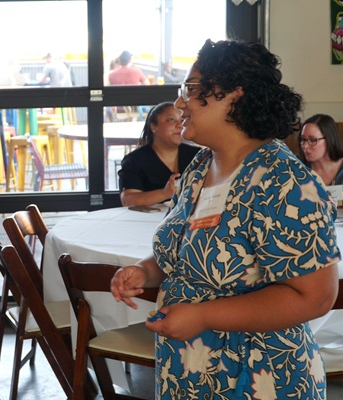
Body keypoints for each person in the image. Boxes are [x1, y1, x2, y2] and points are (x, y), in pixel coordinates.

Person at [110, 39, 340, 399]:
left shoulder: (283, 181)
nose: (180, 102)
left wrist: (203, 316)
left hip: (256, 376)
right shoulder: (201, 166)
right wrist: (144, 271)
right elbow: (185, 251)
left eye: (192, 88)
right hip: (192, 372)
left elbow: (315, 297)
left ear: (234, 95)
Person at [118, 101, 199, 207]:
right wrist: (165, 193)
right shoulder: (134, 160)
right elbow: (128, 200)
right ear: (154, 127)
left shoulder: (197, 155)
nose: (180, 125)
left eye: (182, 120)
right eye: (171, 120)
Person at [298, 113, 343, 186]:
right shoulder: (296, 166)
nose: (305, 146)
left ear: (329, 140)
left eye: (312, 140)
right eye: (303, 139)